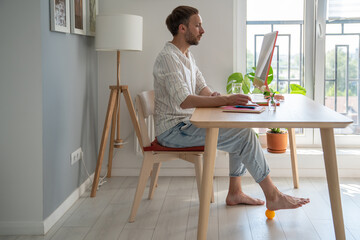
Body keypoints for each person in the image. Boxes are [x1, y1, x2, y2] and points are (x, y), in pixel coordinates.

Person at [153, 5, 309, 211]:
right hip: (173, 131)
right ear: (182, 28)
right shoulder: (168, 58)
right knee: (244, 136)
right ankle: (273, 195)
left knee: (238, 128)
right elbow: (185, 100)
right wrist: (225, 100)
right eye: (197, 25)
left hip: (185, 125)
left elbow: (201, 87)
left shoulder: (186, 56)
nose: (202, 30)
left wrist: (217, 96)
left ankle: (235, 193)